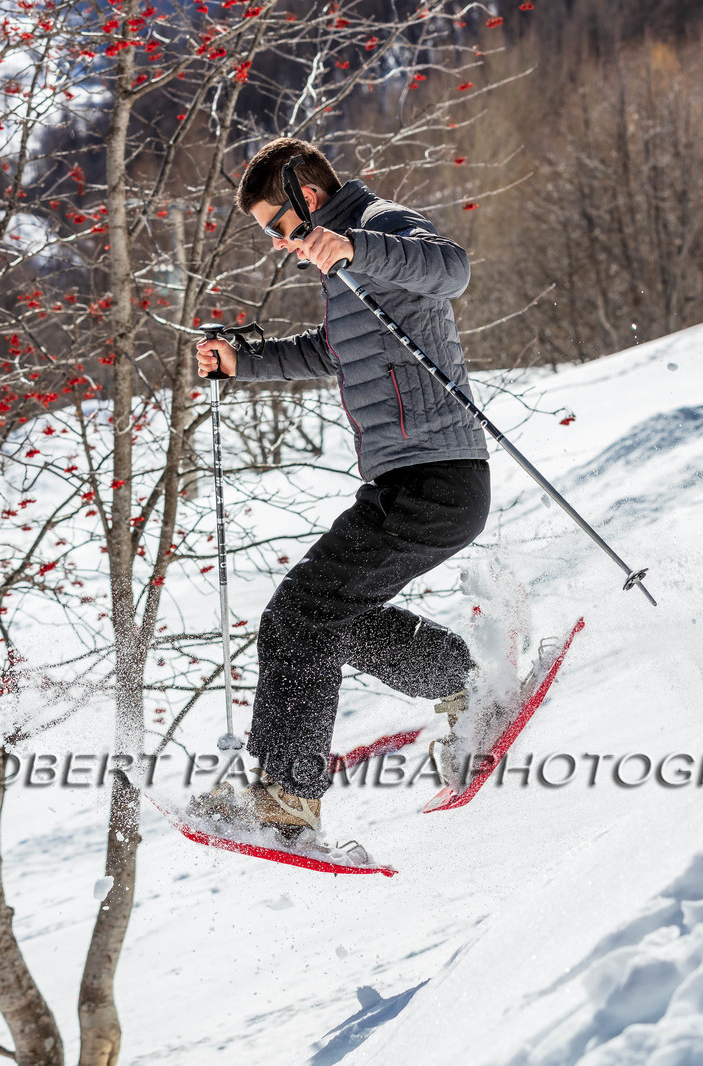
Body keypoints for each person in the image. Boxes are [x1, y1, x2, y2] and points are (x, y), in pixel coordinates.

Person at [193, 137, 489, 834]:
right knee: (334, 620)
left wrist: (357, 249)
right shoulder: (339, 265)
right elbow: (334, 351)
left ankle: (285, 803)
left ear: (311, 199)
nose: (275, 243)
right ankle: (460, 680)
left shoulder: (383, 227)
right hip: (403, 480)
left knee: (297, 617)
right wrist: (244, 361)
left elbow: (452, 271)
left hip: (439, 476)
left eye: (278, 226)